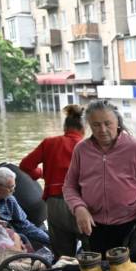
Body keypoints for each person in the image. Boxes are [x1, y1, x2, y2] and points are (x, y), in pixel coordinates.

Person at [63, 100, 136, 266]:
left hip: (134, 226)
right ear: (88, 124)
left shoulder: (135, 148)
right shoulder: (81, 150)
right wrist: (79, 207)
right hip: (95, 228)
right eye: (96, 125)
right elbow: (69, 186)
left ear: (117, 122)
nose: (102, 130)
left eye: (107, 123)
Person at [19, 104, 86, 258]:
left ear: (65, 127)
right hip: (82, 204)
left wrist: (42, 174)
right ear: (84, 129)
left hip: (54, 204)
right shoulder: (87, 145)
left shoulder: (49, 143)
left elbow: (25, 165)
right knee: (92, 254)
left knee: (63, 257)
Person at [0, 167, 51, 252]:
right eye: (10, 187)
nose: (13, 190)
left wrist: (50, 240)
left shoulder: (9, 200)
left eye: (14, 186)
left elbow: (24, 225)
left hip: (6, 240)